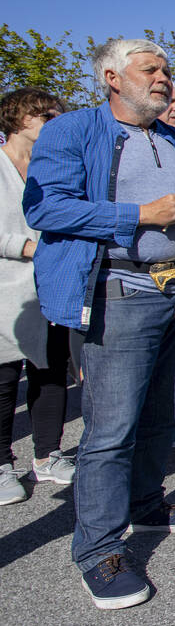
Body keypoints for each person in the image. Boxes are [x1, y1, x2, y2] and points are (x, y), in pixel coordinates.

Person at [24, 38, 175, 609]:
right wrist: (142, 213)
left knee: (170, 411)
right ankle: (97, 550)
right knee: (111, 429)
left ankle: (144, 505)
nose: (164, 78)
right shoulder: (71, 131)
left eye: (167, 70)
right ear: (113, 77)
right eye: (151, 69)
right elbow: (45, 208)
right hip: (119, 290)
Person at [1, 88, 74, 507]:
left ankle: (48, 455)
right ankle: (1, 464)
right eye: (45, 116)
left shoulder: (51, 168)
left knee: (50, 373)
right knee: (5, 376)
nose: (52, 122)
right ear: (17, 118)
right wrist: (28, 248)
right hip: (6, 287)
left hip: (51, 284)